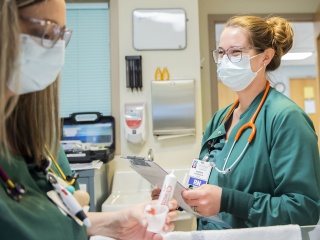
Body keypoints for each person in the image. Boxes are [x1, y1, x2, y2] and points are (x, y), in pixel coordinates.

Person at [0, 0, 178, 239]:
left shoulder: (31, 138)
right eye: (47, 32)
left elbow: (57, 218)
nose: (57, 48)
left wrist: (114, 223)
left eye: (62, 36)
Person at [154, 15, 320, 230]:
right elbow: (207, 182)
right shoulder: (219, 119)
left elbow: (304, 209)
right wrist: (178, 197)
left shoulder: (286, 118)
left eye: (236, 52)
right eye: (221, 52)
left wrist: (229, 201)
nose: (225, 60)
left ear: (265, 57)